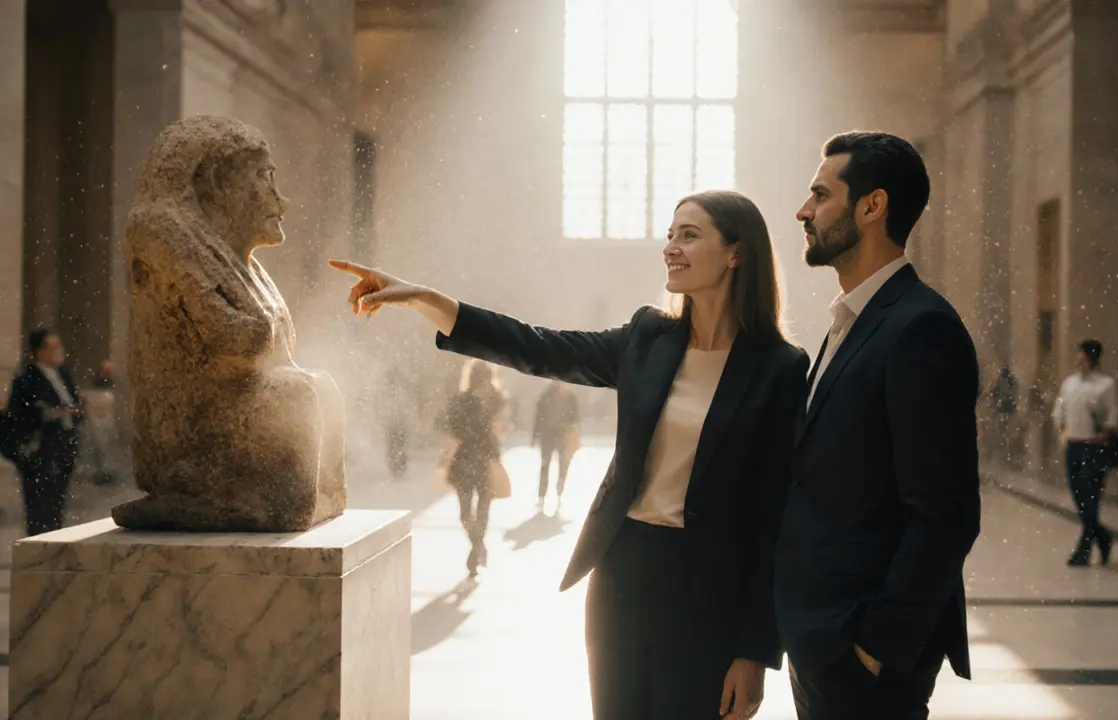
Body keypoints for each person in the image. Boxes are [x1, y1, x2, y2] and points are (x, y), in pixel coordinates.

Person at [332, 189, 808, 719]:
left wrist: (755, 652)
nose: (671, 246)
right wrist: (424, 299)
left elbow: (773, 520)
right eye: (670, 234)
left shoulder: (780, 368)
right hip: (622, 573)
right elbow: (537, 346)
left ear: (736, 253)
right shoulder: (648, 338)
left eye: (690, 235)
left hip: (710, 591)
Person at [775, 131, 982, 720]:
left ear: (872, 206)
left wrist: (876, 647)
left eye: (820, 194)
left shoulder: (919, 328)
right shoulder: (855, 318)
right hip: (824, 641)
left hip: (863, 658)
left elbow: (946, 514)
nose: (803, 211)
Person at [6, 329, 84, 536]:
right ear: (39, 351)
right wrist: (48, 414)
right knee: (39, 507)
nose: (59, 351)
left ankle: (54, 546)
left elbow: (74, 402)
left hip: (64, 446)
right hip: (41, 449)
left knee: (57, 504)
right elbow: (19, 413)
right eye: (53, 347)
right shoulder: (27, 378)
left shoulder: (63, 373)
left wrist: (74, 412)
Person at [1052, 339, 1118, 566]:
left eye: (1082, 354)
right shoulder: (1069, 384)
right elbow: (1059, 409)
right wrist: (1062, 429)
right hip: (1073, 446)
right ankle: (1102, 536)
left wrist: (1106, 432)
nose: (1079, 358)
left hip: (1094, 447)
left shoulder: (1106, 385)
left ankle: (1083, 549)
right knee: (1079, 497)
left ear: (1091, 357)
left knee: (1091, 497)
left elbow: (1113, 412)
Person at [438, 359, 508, 576]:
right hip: (481, 460)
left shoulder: (485, 401)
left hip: (468, 460)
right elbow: (497, 429)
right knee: (479, 510)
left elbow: (452, 428)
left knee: (469, 512)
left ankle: (476, 548)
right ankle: (478, 547)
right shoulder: (491, 400)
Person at [532, 380, 580, 514]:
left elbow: (574, 417)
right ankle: (548, 494)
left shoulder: (562, 396)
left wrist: (535, 434)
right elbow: (539, 416)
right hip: (554, 435)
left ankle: (555, 493)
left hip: (558, 435)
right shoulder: (557, 395)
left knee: (555, 465)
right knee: (552, 465)